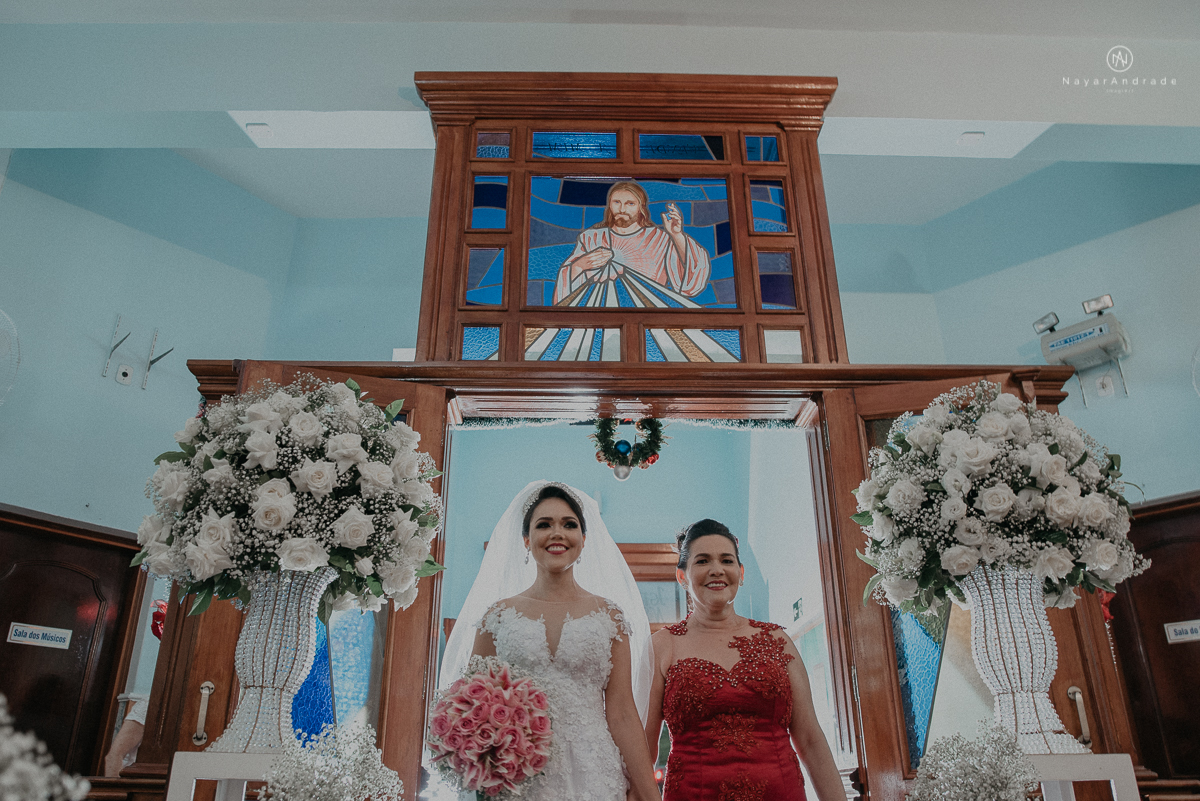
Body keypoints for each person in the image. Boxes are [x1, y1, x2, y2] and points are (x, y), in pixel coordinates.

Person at [438, 481, 660, 801]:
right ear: (527, 541)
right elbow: (473, 707)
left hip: (597, 773)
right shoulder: (496, 618)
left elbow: (622, 713)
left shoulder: (610, 617)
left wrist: (649, 792)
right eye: (544, 525)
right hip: (521, 777)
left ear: (583, 540)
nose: (557, 533)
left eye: (569, 525)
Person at [644, 519, 844, 801]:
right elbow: (644, 748)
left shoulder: (777, 640)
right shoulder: (662, 646)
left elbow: (810, 739)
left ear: (740, 572)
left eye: (726, 560)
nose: (717, 569)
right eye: (702, 561)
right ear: (682, 576)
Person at [552, 181, 712, 305]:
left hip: (648, 317)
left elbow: (691, 280)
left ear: (641, 208)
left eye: (630, 203)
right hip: (600, 317)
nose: (622, 209)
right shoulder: (591, 238)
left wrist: (677, 235)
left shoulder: (660, 239)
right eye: (616, 202)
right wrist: (579, 266)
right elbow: (567, 291)